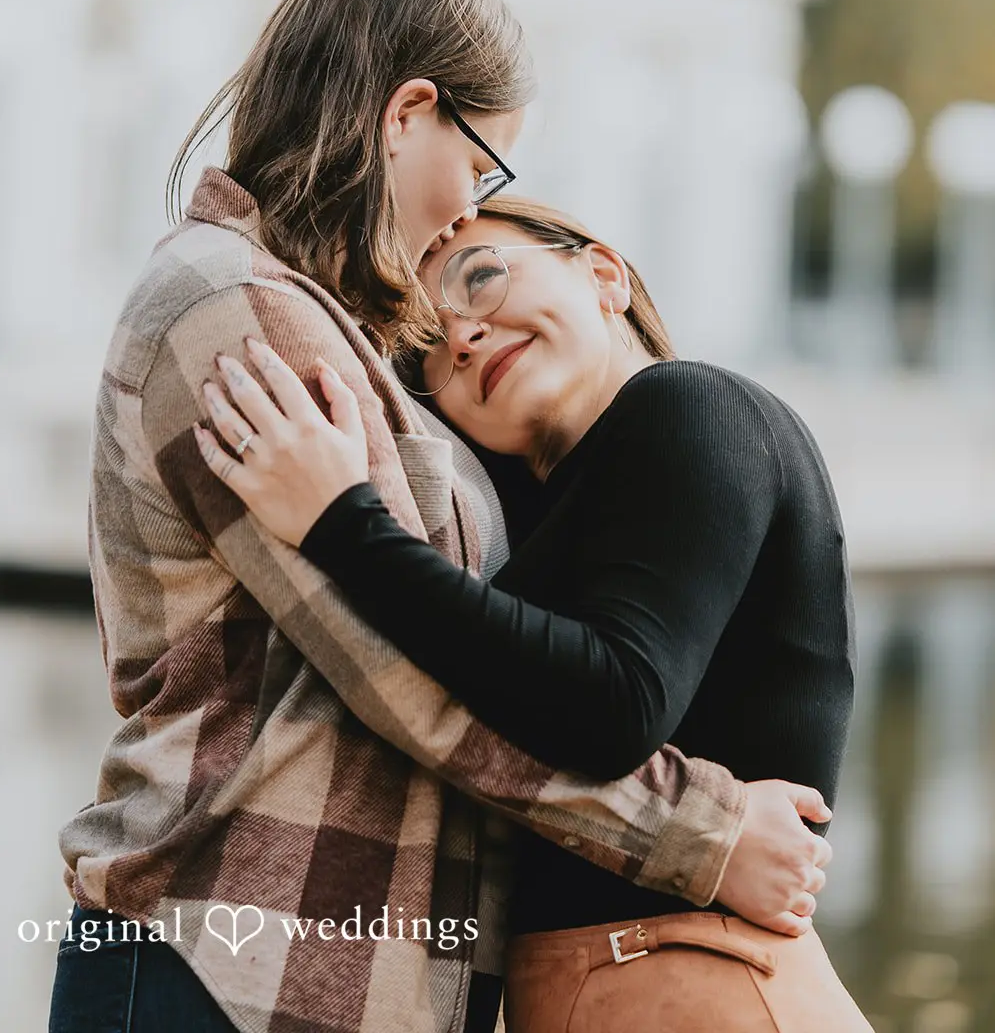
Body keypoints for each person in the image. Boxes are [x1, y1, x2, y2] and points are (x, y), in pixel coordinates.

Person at [51, 0, 832, 1033]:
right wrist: (700, 833)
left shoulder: (334, 329)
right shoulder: (239, 310)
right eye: (478, 167)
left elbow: (460, 646)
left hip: (313, 970)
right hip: (228, 956)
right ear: (408, 112)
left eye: (486, 222)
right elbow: (397, 674)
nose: (464, 211)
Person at [194, 194, 870, 1032]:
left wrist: (341, 524)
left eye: (478, 278)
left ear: (603, 275)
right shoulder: (542, 515)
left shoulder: (691, 405)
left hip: (697, 986)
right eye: (424, 349)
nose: (461, 337)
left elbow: (615, 704)